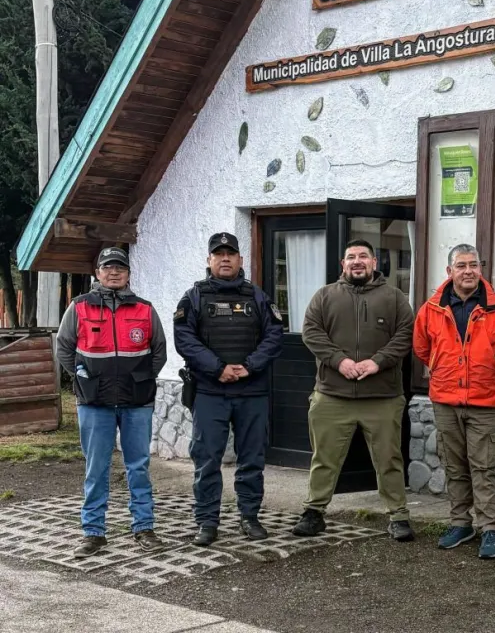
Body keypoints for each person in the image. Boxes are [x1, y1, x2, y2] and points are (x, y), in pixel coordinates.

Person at [293, 239, 415, 542]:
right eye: (351, 257)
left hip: (382, 396)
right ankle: (314, 512)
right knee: (324, 457)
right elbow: (311, 332)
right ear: (342, 265)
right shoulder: (324, 297)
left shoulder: (395, 298)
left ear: (374, 263)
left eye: (363, 256)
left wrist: (378, 362)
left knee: (389, 459)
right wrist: (340, 361)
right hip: (332, 394)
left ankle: (398, 515)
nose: (357, 261)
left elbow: (406, 334)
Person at [56, 247, 167, 558]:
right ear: (97, 273)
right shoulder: (79, 308)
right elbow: (64, 348)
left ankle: (144, 527)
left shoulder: (145, 309)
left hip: (137, 402)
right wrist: (83, 380)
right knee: (96, 468)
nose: (114, 272)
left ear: (128, 273)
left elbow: (159, 352)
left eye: (120, 267)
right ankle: (93, 532)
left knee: (139, 467)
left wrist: (141, 379)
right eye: (107, 267)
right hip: (94, 403)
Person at [173, 232, 283, 546]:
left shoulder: (258, 297)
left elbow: (274, 336)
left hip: (252, 393)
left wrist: (249, 365)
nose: (225, 259)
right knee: (207, 460)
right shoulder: (193, 297)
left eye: (230, 254)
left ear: (240, 260)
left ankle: (249, 517)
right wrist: (217, 368)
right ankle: (207, 522)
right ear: (209, 260)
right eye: (218, 254)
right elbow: (185, 339)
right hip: (209, 392)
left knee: (252, 458)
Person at [413, 244, 495, 559]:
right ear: (450, 271)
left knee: (484, 466)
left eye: (474, 264)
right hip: (445, 400)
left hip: (484, 400)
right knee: (454, 465)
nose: (468, 271)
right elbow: (422, 347)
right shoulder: (430, 308)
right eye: (461, 265)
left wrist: (489, 372)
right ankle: (461, 523)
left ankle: (489, 528)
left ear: (480, 269)